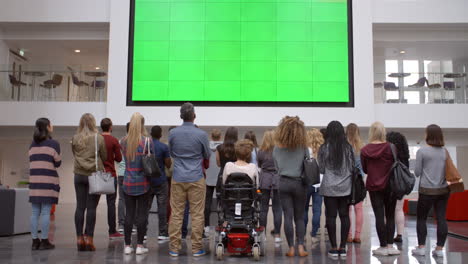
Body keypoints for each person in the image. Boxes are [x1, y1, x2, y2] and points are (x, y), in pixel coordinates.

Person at [168, 103, 211, 257]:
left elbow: (171, 152)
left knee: (177, 213)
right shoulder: (201, 135)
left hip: (178, 177)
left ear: (181, 116)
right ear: (194, 116)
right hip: (196, 177)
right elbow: (207, 155)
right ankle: (196, 248)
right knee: (197, 214)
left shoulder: (173, 133)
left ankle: (174, 248)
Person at [361, 122, 400, 256]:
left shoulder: (365, 149)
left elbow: (365, 169)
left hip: (373, 186)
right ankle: (390, 246)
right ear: (383, 132)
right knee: (390, 215)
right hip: (390, 186)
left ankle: (382, 246)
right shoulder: (391, 147)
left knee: (379, 216)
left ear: (371, 132)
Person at [273, 116, 309, 257]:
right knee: (299, 217)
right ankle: (300, 247)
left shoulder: (277, 147)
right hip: (299, 183)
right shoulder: (302, 147)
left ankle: (291, 249)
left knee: (287, 216)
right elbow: (307, 163)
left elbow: (276, 167)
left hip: (283, 183)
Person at [412, 124, 450, 258]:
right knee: (441, 218)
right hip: (443, 190)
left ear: (428, 135)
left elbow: (417, 172)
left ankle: (421, 247)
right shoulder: (444, 152)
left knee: (421, 218)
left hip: (426, 191)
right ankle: (439, 249)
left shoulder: (422, 151)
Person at [72, 113, 107, 251]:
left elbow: (74, 154)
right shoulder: (99, 138)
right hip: (94, 175)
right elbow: (104, 156)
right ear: (93, 123)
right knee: (91, 208)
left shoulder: (75, 138)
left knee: (80, 207)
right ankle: (89, 240)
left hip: (79, 175)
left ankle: (79, 239)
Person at [318, 121, 354, 259]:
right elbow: (351, 167)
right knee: (344, 216)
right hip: (345, 188)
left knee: (331, 217)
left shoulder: (324, 148)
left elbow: (321, 168)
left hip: (329, 187)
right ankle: (343, 248)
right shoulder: (348, 148)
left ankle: (333, 248)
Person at [121, 113, 152, 255]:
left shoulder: (123, 141)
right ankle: (140, 245)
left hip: (127, 181)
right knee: (142, 215)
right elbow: (152, 161)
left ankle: (127, 245)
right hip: (143, 182)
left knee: (129, 215)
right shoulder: (147, 141)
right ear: (142, 124)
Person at [29, 118, 61, 250]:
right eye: (51, 124)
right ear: (48, 127)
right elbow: (58, 163)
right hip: (48, 182)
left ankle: (34, 241)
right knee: (46, 211)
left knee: (35, 212)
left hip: (34, 181)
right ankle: (44, 241)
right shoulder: (53, 143)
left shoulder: (32, 144)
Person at [100, 118, 124, 240]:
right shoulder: (114, 140)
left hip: (97, 175)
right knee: (111, 204)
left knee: (92, 205)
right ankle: (112, 231)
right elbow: (119, 159)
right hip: (110, 175)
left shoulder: (96, 139)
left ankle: (88, 233)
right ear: (110, 127)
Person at [257, 130, 282, 243]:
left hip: (264, 181)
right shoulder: (280, 151)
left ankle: (263, 235)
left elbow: (259, 165)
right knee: (277, 209)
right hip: (277, 181)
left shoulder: (261, 151)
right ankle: (277, 235)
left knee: (263, 209)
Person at [147, 125, 172, 240]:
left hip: (147, 180)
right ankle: (162, 233)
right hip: (161, 180)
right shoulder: (164, 147)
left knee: (145, 207)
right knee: (162, 207)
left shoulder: (145, 146)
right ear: (161, 135)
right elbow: (168, 164)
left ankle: (144, 232)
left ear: (150, 134)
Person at [386, 131, 410, 243]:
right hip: (401, 183)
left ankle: (388, 233)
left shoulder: (388, 152)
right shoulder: (404, 155)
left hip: (389, 183)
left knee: (389, 211)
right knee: (399, 209)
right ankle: (399, 234)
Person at [304, 128, 324, 244]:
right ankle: (314, 234)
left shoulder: (305, 150)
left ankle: (302, 234)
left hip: (306, 183)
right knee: (317, 210)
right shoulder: (322, 150)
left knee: (304, 209)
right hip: (319, 183)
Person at [346, 123, 364, 244]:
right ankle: (357, 236)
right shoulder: (361, 147)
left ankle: (348, 235)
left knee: (347, 209)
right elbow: (363, 167)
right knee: (359, 208)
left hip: (346, 180)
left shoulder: (344, 147)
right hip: (358, 180)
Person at [204, 129, 223, 235]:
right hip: (220, 177)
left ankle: (206, 226)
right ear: (220, 136)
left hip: (208, 177)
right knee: (221, 202)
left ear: (211, 136)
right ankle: (221, 225)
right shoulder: (223, 147)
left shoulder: (206, 146)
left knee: (207, 203)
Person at [117, 122, 130, 233]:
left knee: (121, 199)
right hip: (132, 174)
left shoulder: (120, 141)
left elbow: (116, 157)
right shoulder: (137, 141)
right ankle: (133, 225)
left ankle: (121, 225)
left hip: (121, 173)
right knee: (134, 199)